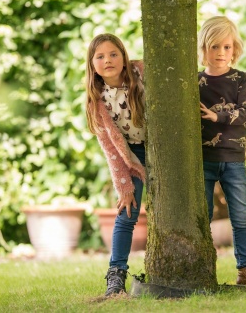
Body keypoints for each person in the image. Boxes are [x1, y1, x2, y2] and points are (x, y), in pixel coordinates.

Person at [198, 16, 246, 285]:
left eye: (227, 47)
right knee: (201, 216)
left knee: (239, 216)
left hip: (233, 160)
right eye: (214, 47)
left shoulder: (240, 80)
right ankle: (202, 270)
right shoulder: (195, 82)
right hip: (203, 160)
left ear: (235, 49)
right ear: (204, 48)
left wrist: (218, 118)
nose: (221, 53)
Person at [85, 33, 146, 296]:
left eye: (113, 54)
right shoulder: (97, 101)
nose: (107, 60)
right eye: (100, 56)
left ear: (124, 57)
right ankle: (116, 273)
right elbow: (111, 150)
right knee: (127, 212)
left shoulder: (142, 73)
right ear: (92, 64)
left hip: (162, 148)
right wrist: (125, 187)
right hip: (131, 156)